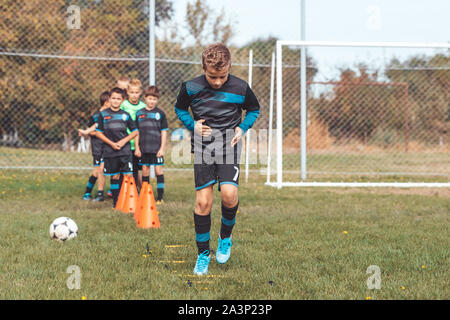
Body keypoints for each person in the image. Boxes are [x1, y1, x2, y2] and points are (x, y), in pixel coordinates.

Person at [174, 43, 260, 275]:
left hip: (229, 146)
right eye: (212, 77)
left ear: (229, 67)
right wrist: (193, 125)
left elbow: (253, 109)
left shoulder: (241, 87)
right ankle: (203, 254)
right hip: (203, 148)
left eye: (222, 76)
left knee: (230, 194)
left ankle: (225, 238)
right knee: (203, 203)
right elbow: (180, 109)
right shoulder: (190, 87)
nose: (218, 81)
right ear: (203, 68)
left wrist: (243, 127)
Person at [95, 87, 139, 208]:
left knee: (129, 175)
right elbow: (98, 132)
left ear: (122, 100)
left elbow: (135, 131)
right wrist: (112, 144)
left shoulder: (126, 115)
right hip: (110, 151)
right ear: (109, 99)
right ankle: (116, 203)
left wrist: (123, 141)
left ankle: (131, 202)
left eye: (118, 99)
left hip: (125, 151)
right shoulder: (103, 114)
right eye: (113, 98)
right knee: (115, 176)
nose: (115, 101)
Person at [134, 86, 168, 204]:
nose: (152, 101)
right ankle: (145, 195)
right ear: (145, 98)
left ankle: (160, 197)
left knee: (158, 170)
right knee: (145, 171)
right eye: (150, 99)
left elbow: (164, 132)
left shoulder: (160, 113)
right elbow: (136, 133)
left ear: (157, 100)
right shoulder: (139, 113)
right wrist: (137, 148)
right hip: (144, 149)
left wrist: (162, 148)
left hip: (156, 149)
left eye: (154, 99)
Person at [78, 91, 110, 201]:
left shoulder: (111, 115)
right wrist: (96, 133)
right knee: (96, 171)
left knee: (106, 169)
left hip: (107, 147)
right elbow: (91, 130)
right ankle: (87, 193)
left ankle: (108, 192)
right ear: (106, 102)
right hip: (97, 147)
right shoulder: (96, 115)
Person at [120, 79, 146, 189]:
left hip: (138, 144)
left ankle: (134, 192)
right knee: (123, 169)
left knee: (135, 169)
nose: (134, 95)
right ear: (127, 92)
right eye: (132, 92)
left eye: (136, 92)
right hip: (125, 142)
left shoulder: (143, 107)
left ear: (140, 92)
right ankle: (121, 192)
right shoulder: (124, 105)